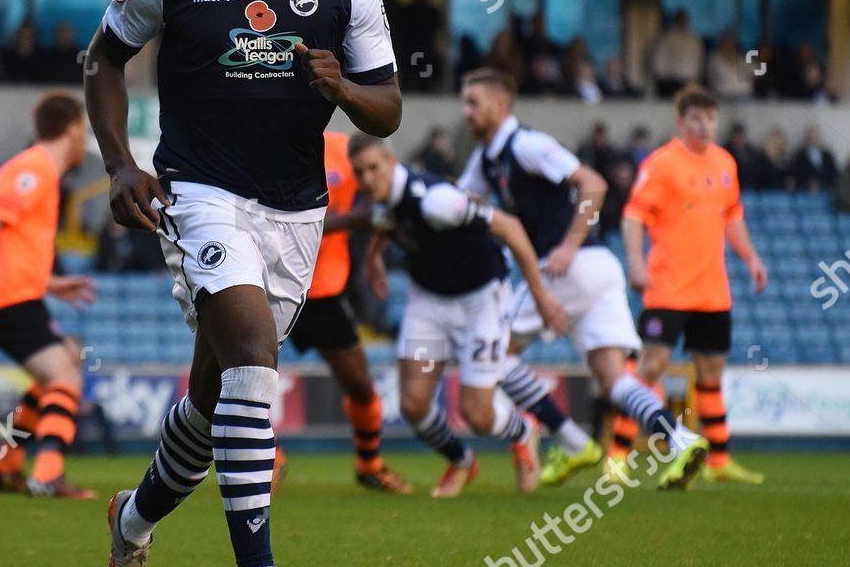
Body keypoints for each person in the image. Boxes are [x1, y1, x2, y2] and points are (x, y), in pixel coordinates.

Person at [82, 0, 401, 567]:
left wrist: (343, 92)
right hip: (199, 193)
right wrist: (120, 161)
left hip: (297, 209)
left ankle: (132, 521)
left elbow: (388, 110)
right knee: (254, 359)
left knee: (214, 393)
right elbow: (104, 59)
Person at [455, 69, 706, 489]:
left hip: (570, 267)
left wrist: (569, 244)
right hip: (599, 271)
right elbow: (459, 197)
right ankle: (681, 439)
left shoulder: (527, 145)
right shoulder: (487, 159)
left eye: (473, 103)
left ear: (500, 106)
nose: (466, 113)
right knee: (613, 379)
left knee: (495, 352)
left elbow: (595, 184)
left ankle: (574, 443)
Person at [354, 133, 562, 496]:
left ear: (392, 162)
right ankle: (463, 462)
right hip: (428, 303)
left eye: (373, 168)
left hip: (481, 300)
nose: (367, 179)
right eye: (359, 172)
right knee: (414, 406)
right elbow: (387, 223)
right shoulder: (382, 202)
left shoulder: (439, 202)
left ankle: (523, 432)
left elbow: (509, 227)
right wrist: (373, 258)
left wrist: (541, 294)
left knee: (477, 414)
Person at [0, 91, 99, 497]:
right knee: (65, 373)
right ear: (75, 128)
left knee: (62, 366)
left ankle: (7, 466)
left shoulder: (41, 171)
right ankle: (47, 475)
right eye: (86, 131)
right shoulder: (35, 167)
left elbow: (10, 245)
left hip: (14, 293)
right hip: (0, 298)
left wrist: (51, 284)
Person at [621, 84, 769, 488]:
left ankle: (719, 461)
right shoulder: (662, 163)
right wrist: (636, 262)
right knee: (649, 366)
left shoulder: (725, 163)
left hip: (712, 289)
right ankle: (617, 457)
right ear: (680, 122)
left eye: (711, 118)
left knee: (710, 374)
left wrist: (751, 258)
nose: (706, 126)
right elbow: (634, 215)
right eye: (697, 119)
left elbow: (732, 215)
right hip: (668, 287)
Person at [286, 130, 410, 493]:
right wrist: (352, 221)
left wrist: (375, 251)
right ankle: (268, 461)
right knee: (248, 378)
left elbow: (382, 192)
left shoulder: (343, 148)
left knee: (360, 384)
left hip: (323, 285)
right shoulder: (270, 141)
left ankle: (369, 464)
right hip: (268, 283)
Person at [394, 0, 443, 92]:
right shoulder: (407, 11)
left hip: (425, 49)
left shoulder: (430, 12)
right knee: (410, 74)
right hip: (410, 48)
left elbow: (435, 28)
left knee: (425, 77)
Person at [646, 8, 703, 97]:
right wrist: (661, 78)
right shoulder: (667, 37)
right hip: (671, 81)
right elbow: (659, 58)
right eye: (681, 18)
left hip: (690, 81)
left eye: (685, 18)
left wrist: (695, 78)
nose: (683, 20)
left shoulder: (694, 38)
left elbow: (697, 59)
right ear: (676, 19)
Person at [788, 126, 839, 193]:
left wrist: (822, 184)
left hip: (825, 193)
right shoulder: (799, 156)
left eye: (815, 138)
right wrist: (808, 183)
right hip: (805, 193)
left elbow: (833, 174)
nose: (813, 140)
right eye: (810, 138)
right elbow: (795, 174)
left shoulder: (827, 155)